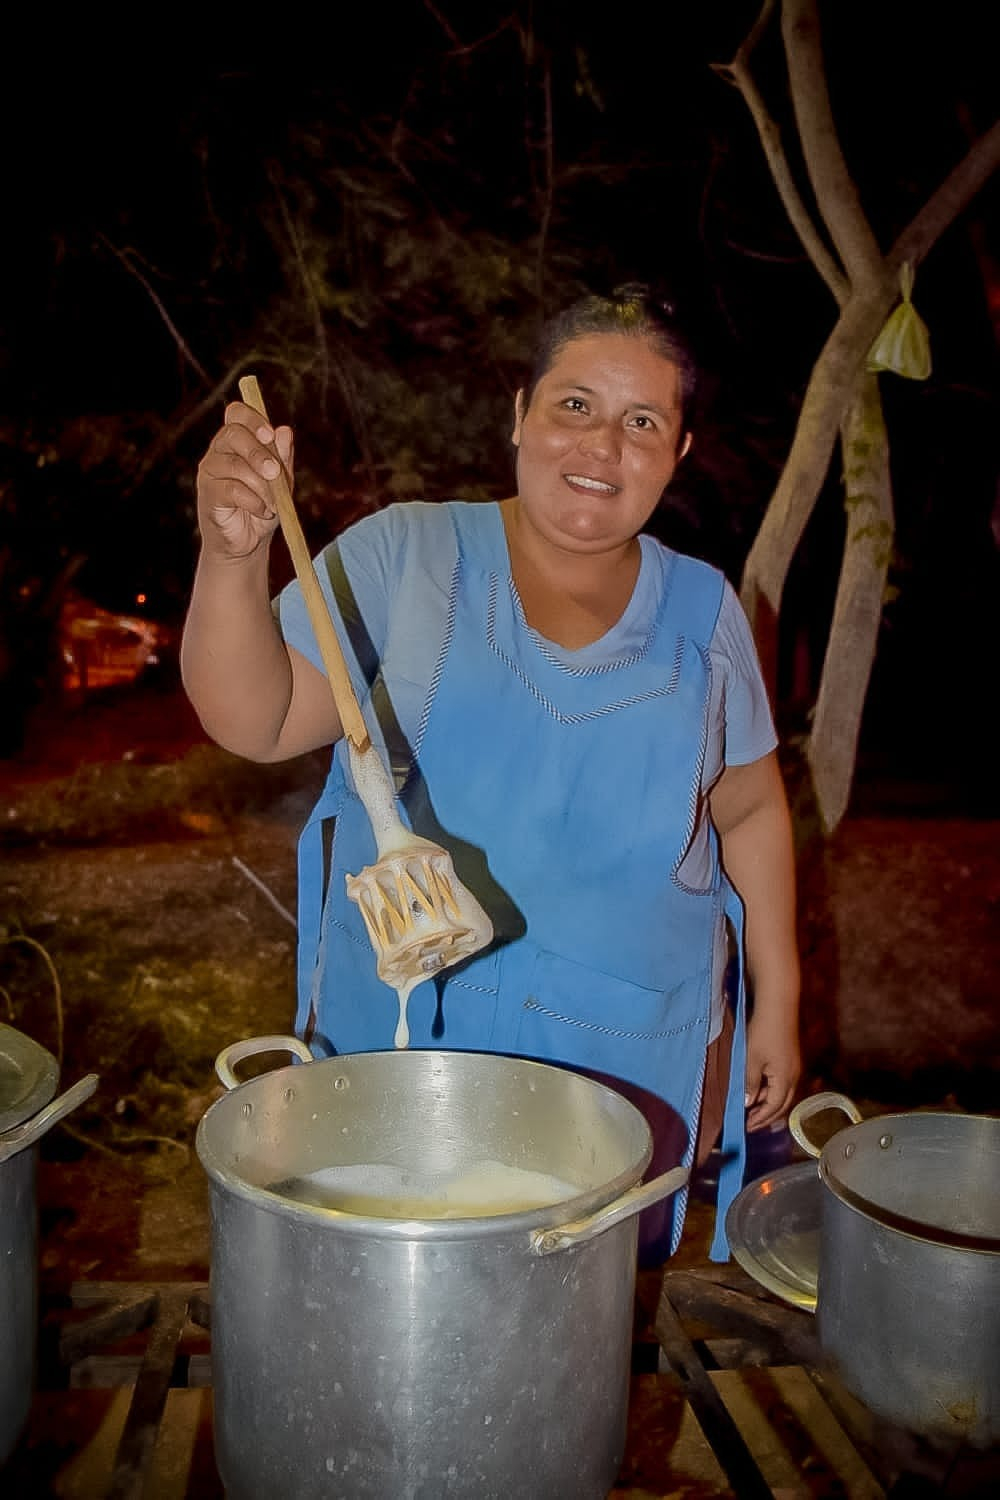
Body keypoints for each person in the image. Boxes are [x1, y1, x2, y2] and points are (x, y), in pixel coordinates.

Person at [181, 285, 800, 1261]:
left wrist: (781, 999)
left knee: (574, 1353)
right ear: (518, 413)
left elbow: (753, 806)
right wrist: (230, 555)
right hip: (405, 1079)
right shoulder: (405, 557)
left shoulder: (703, 612)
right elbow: (251, 716)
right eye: (574, 405)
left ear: (677, 453)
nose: (602, 446)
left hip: (619, 1088)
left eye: (643, 421)